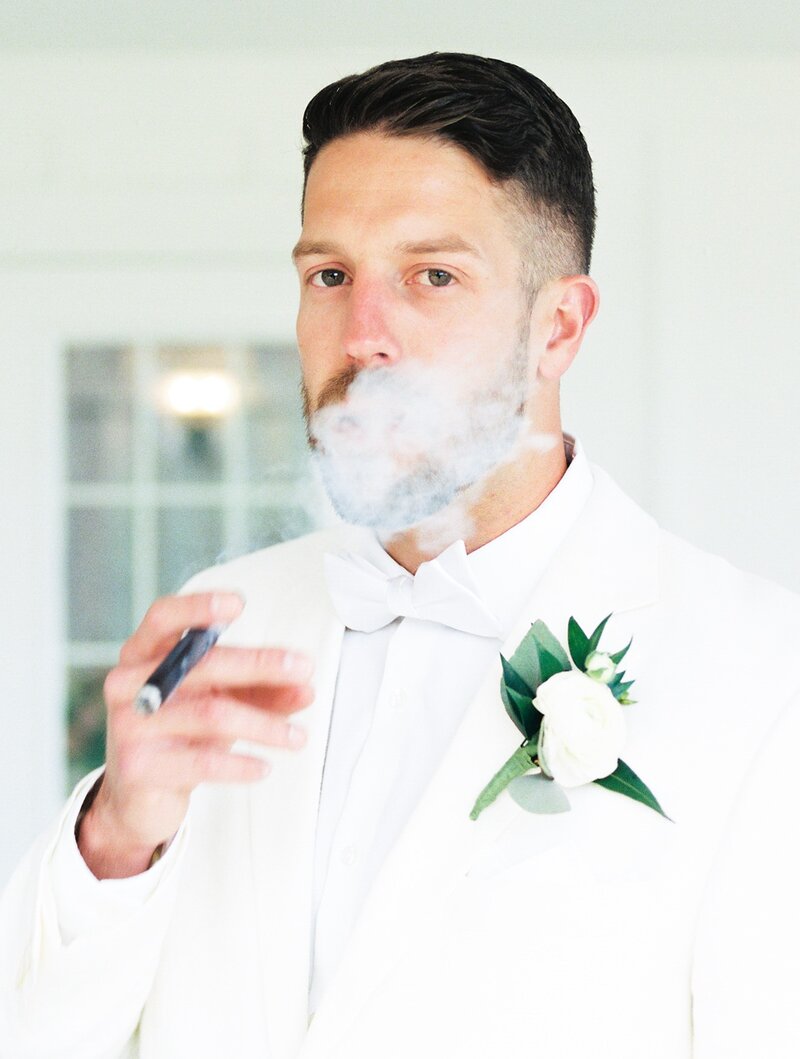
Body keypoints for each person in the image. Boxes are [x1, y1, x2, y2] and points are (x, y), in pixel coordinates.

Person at [2, 52, 799, 1059]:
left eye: (432, 277)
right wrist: (115, 838)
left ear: (556, 328)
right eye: (328, 276)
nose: (362, 335)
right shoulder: (220, 621)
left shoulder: (764, 676)